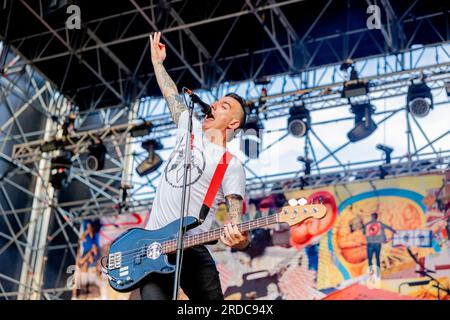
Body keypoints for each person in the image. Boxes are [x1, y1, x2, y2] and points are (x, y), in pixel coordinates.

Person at [140, 32, 250, 300]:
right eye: (217, 101)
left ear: (233, 124)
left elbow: (237, 222)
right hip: (153, 246)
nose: (214, 105)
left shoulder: (230, 165)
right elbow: (171, 95)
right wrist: (158, 64)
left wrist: (241, 239)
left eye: (224, 106)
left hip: (192, 248)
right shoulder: (186, 129)